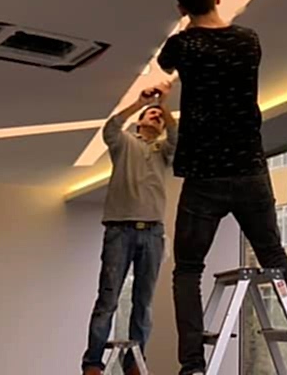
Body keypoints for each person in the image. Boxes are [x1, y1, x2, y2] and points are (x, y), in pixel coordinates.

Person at [156, 0, 287, 375]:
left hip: (203, 177)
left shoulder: (183, 45)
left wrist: (186, 22)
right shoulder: (249, 40)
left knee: (188, 270)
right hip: (250, 169)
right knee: (276, 257)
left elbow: (165, 63)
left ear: (181, 8)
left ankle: (193, 366)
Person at [81, 87, 177, 375]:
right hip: (120, 230)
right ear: (138, 122)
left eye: (159, 116)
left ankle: (134, 361)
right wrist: (140, 103)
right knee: (108, 298)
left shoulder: (163, 151)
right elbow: (110, 128)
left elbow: (178, 138)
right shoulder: (124, 143)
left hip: (153, 232)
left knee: (143, 301)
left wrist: (164, 106)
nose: (156, 116)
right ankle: (93, 362)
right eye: (151, 114)